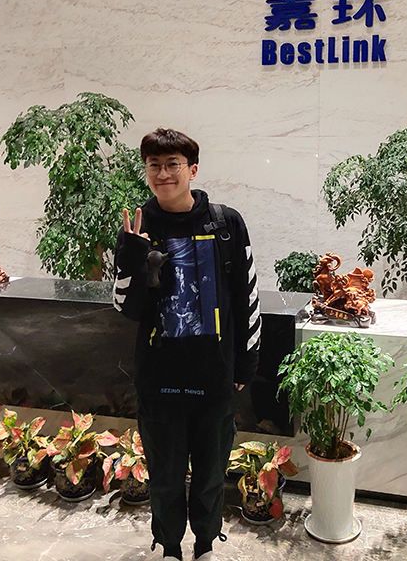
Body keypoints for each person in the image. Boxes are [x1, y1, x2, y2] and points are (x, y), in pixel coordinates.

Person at [113, 128, 260, 561]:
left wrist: (244, 368)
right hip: (159, 379)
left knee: (211, 475)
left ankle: (206, 543)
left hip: (214, 376)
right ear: (146, 171)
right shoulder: (139, 227)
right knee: (164, 475)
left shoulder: (225, 224)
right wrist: (133, 257)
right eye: (154, 165)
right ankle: (169, 545)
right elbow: (126, 308)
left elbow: (247, 298)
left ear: (192, 170)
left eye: (173, 164)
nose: (163, 174)